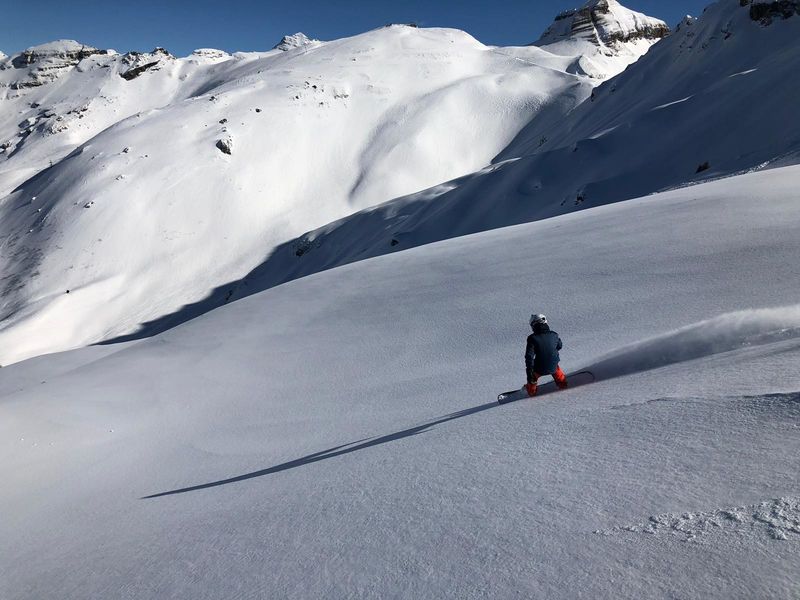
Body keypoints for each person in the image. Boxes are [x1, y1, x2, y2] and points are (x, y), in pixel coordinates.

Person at [525, 314, 568, 397]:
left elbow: (529, 356)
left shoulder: (532, 338)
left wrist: (529, 372)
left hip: (538, 369)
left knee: (533, 377)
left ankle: (531, 390)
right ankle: (562, 384)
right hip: (553, 366)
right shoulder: (554, 335)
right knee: (556, 370)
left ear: (533, 325)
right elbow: (559, 346)